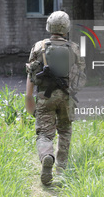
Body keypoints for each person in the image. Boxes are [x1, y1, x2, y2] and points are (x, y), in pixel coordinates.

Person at [25, 11, 85, 186]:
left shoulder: (39, 47)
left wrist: (29, 98)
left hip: (45, 96)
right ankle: (61, 169)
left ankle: (47, 157)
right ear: (66, 28)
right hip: (67, 96)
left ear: (49, 27)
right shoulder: (74, 48)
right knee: (65, 130)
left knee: (44, 134)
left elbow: (30, 75)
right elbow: (80, 77)